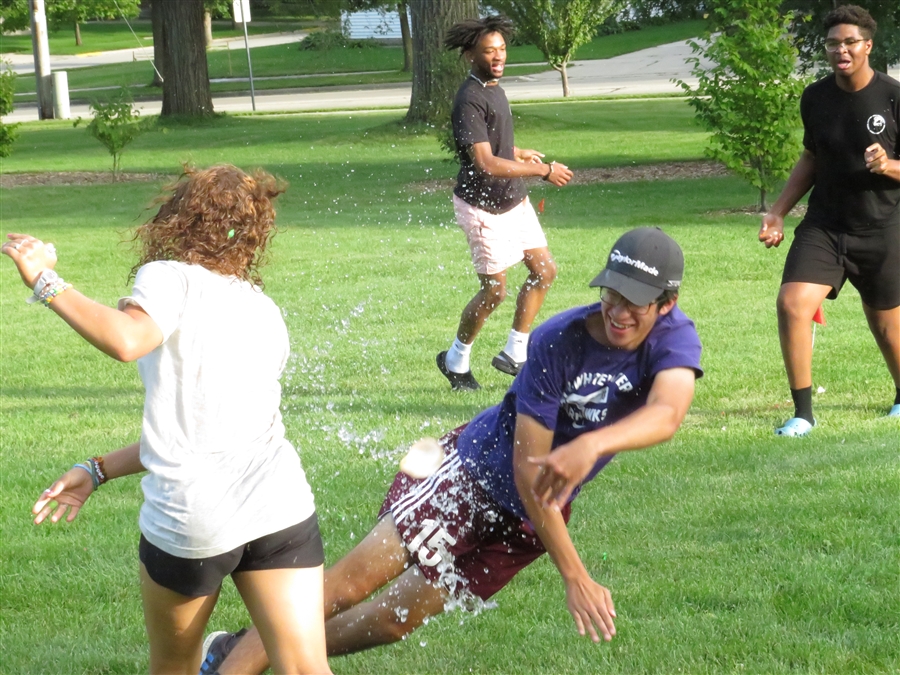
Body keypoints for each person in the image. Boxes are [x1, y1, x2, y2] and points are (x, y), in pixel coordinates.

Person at [202, 227, 702, 675]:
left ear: (666, 303)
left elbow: (668, 414)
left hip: (526, 521)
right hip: (466, 474)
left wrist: (591, 444)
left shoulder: (674, 339)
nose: (617, 311)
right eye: (611, 294)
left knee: (393, 622)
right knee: (344, 589)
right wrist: (575, 575)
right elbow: (530, 473)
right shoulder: (558, 341)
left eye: (634, 302)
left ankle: (257, 648)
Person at [8, 165, 332, 675]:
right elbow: (205, 429)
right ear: (253, 234)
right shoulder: (263, 309)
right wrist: (97, 470)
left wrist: (45, 279)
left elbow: (127, 340)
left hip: (193, 520)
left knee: (174, 667)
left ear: (179, 220)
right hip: (280, 509)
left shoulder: (169, 277)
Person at [758, 4, 900, 436]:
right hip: (825, 225)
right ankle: (802, 413)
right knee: (792, 304)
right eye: (833, 43)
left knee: (886, 324)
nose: (841, 49)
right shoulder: (815, 97)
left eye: (850, 42)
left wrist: (890, 165)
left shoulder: (893, 96)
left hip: (882, 226)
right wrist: (778, 212)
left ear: (868, 46)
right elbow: (811, 157)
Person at [436, 15, 574, 391]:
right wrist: (543, 170)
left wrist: (519, 151)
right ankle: (455, 359)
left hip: (513, 201)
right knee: (494, 289)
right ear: (470, 55)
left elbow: (495, 147)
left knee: (544, 271)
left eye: (501, 49)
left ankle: (515, 353)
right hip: (482, 207)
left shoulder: (494, 87)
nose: (498, 56)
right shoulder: (470, 98)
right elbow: (484, 161)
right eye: (488, 51)